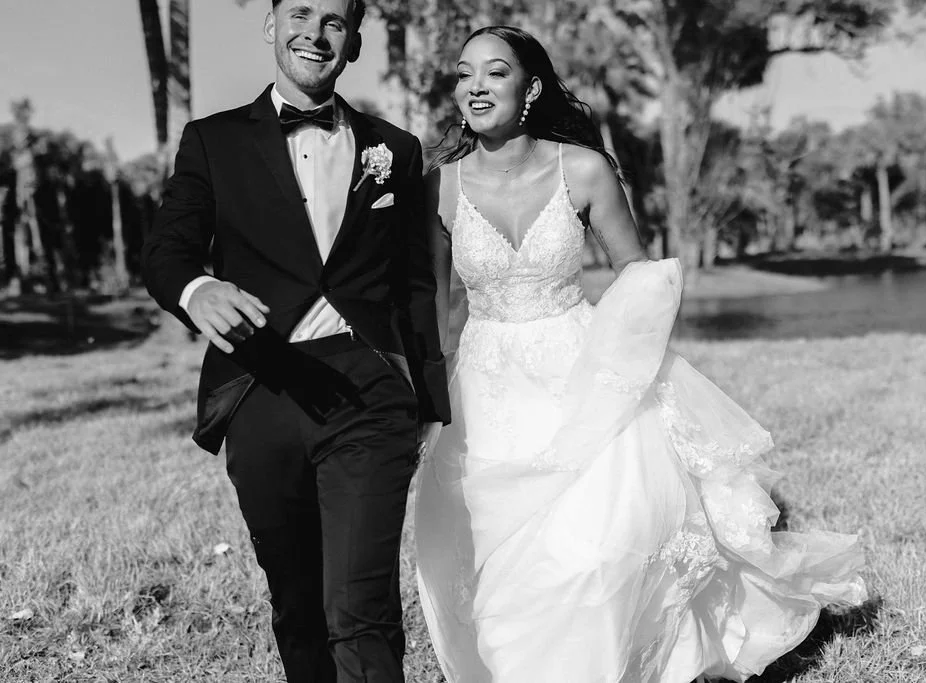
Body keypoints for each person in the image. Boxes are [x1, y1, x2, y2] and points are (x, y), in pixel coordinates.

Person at [412, 26, 868, 682]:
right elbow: (437, 305)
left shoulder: (584, 168)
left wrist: (628, 368)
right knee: (488, 547)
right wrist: (428, 397)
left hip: (578, 366)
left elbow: (639, 276)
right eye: (464, 74)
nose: (476, 86)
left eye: (495, 72)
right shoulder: (440, 187)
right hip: (484, 381)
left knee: (597, 544)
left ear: (530, 87)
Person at [141, 1, 450, 680]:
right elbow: (166, 251)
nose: (315, 32)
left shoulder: (394, 149)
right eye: (301, 14)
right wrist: (198, 290)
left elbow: (413, 284)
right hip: (262, 385)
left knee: (359, 605)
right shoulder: (212, 140)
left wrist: (427, 397)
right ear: (272, 26)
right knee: (298, 600)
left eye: (334, 20)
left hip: (368, 387)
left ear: (354, 40)